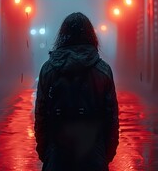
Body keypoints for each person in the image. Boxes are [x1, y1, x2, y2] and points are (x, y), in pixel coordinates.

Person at [34, 12, 119, 171]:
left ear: (63, 35)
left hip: (57, 155)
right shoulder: (103, 70)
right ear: (91, 35)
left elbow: (41, 116)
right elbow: (111, 118)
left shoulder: (48, 69)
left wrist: (45, 151)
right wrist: (107, 153)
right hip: (93, 155)